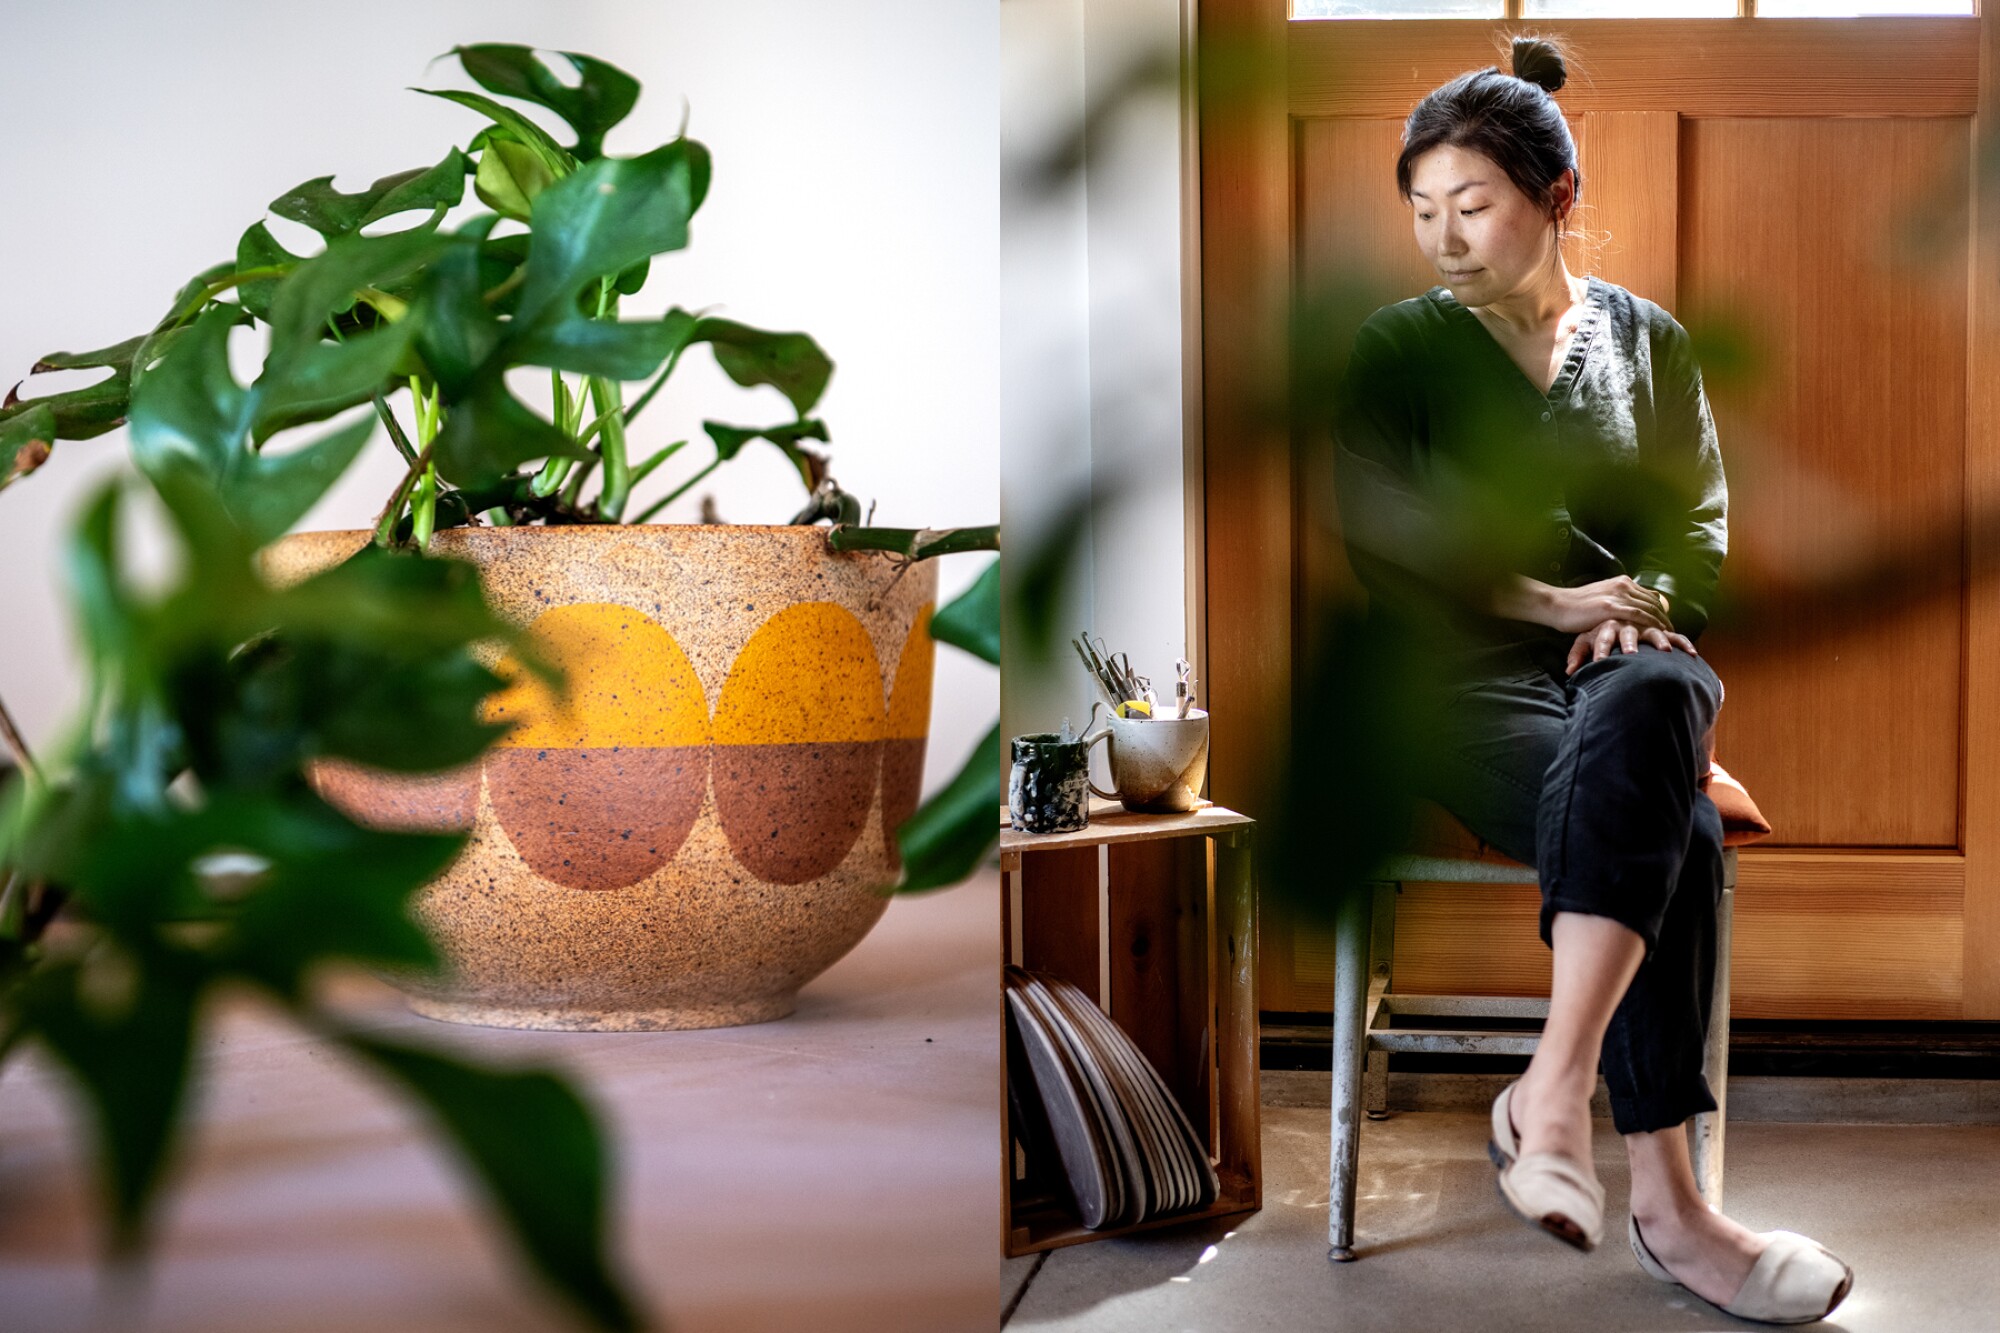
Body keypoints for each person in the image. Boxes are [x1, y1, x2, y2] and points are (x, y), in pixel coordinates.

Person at [1331, 35, 1854, 1326]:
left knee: (1672, 689)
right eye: (1424, 212)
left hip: (1621, 676)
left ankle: (1548, 1093)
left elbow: (1700, 529)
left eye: (1475, 206)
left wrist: (1644, 611)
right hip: (1456, 681)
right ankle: (1676, 1215)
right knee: (1675, 819)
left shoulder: (1650, 341)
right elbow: (1384, 535)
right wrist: (1550, 600)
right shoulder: (1392, 352)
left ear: (1556, 198)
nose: (1444, 239)